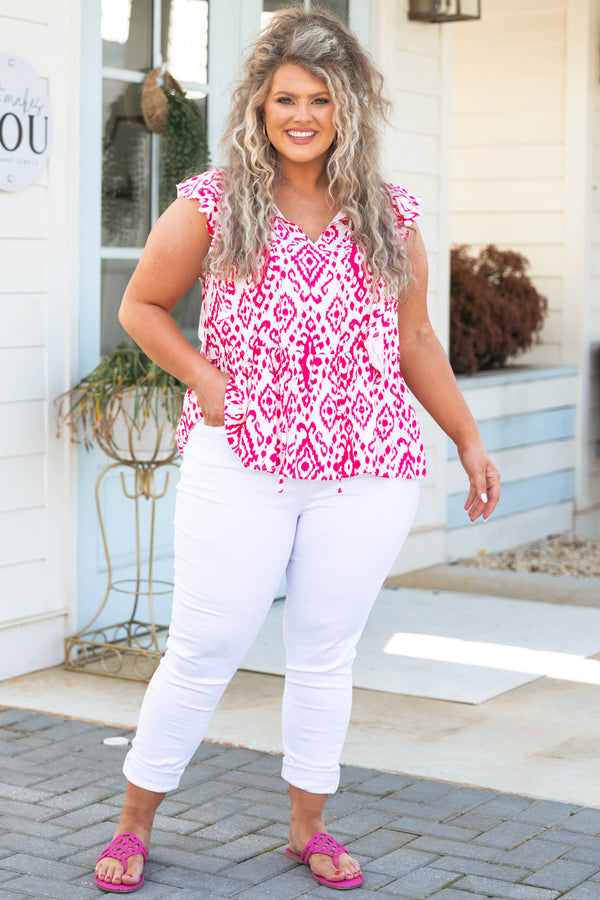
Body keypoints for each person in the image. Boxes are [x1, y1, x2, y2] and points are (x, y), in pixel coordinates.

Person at [94, 8, 499, 894]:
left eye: (320, 98)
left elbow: (416, 340)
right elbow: (141, 306)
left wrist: (468, 439)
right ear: (260, 105)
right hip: (241, 461)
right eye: (286, 98)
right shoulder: (213, 201)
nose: (302, 115)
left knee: (324, 654)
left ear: (347, 106)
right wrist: (204, 377)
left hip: (369, 469)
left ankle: (308, 827)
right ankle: (131, 824)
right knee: (204, 646)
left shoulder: (390, 213)